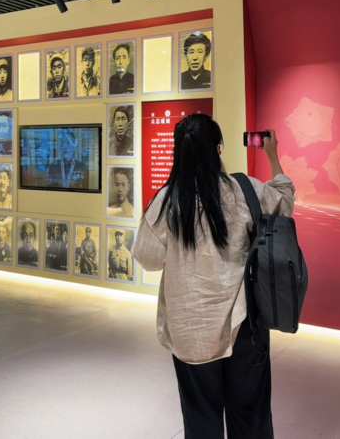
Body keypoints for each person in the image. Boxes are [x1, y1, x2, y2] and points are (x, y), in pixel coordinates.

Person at [133, 115, 295, 439]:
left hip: (191, 333)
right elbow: (285, 200)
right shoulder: (244, 190)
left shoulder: (166, 202)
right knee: (250, 418)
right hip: (244, 327)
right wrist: (272, 155)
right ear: (218, 148)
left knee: (200, 419)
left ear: (179, 152)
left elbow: (147, 259)